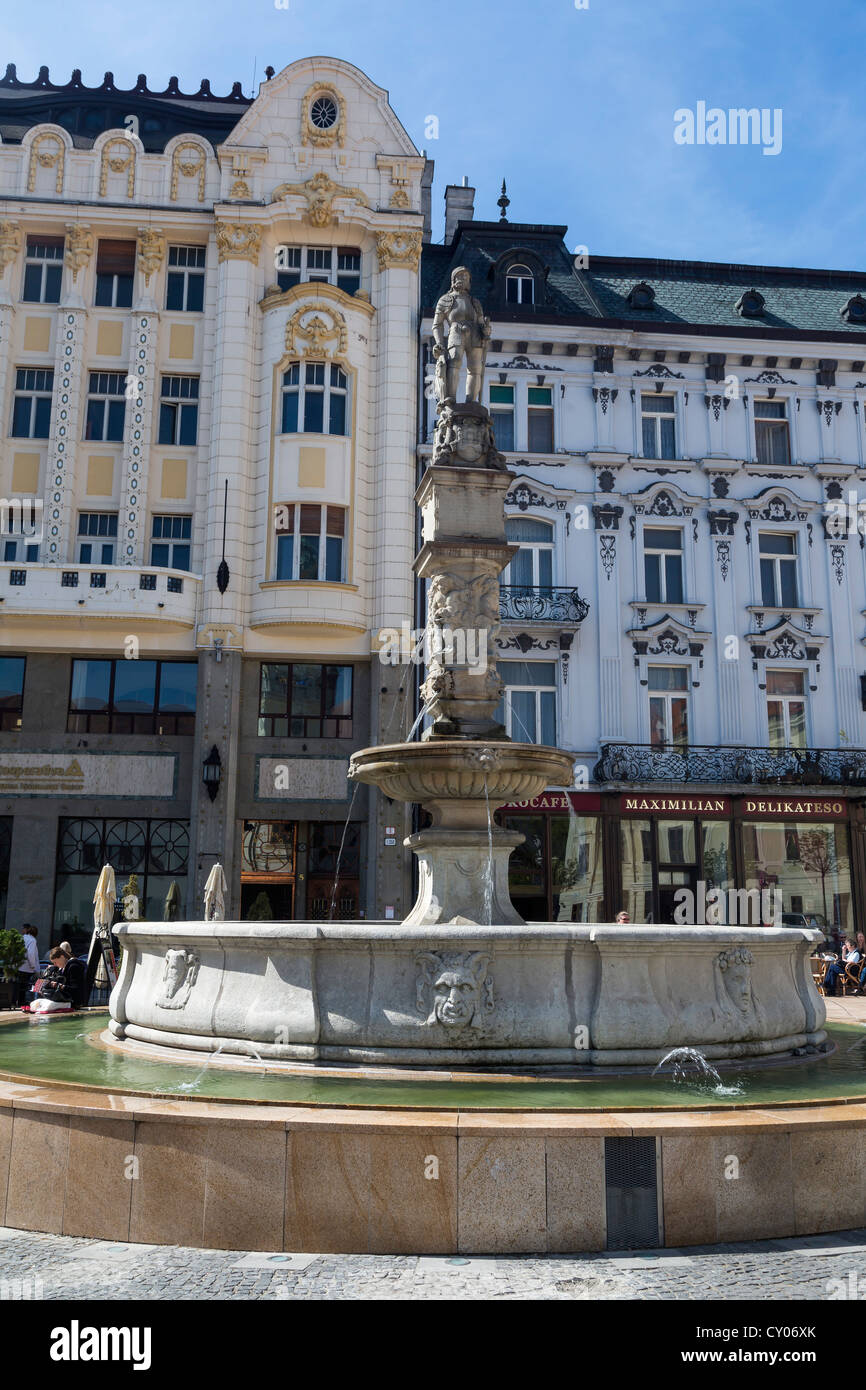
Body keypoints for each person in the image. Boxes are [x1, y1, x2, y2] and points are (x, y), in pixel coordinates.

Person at [15, 924, 39, 1006]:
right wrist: (33, 966)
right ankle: (22, 1002)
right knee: (25, 986)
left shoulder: (21, 938)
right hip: (27, 967)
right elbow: (31, 954)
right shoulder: (32, 940)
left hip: (18, 966)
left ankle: (16, 1001)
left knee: (18, 985)